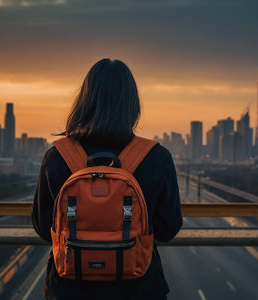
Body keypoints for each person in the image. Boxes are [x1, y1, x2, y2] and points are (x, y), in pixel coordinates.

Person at [32, 58, 182, 300]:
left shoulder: (57, 156)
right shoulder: (156, 157)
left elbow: (42, 227)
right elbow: (168, 229)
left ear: (84, 101)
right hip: (139, 289)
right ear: (133, 105)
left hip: (69, 291)